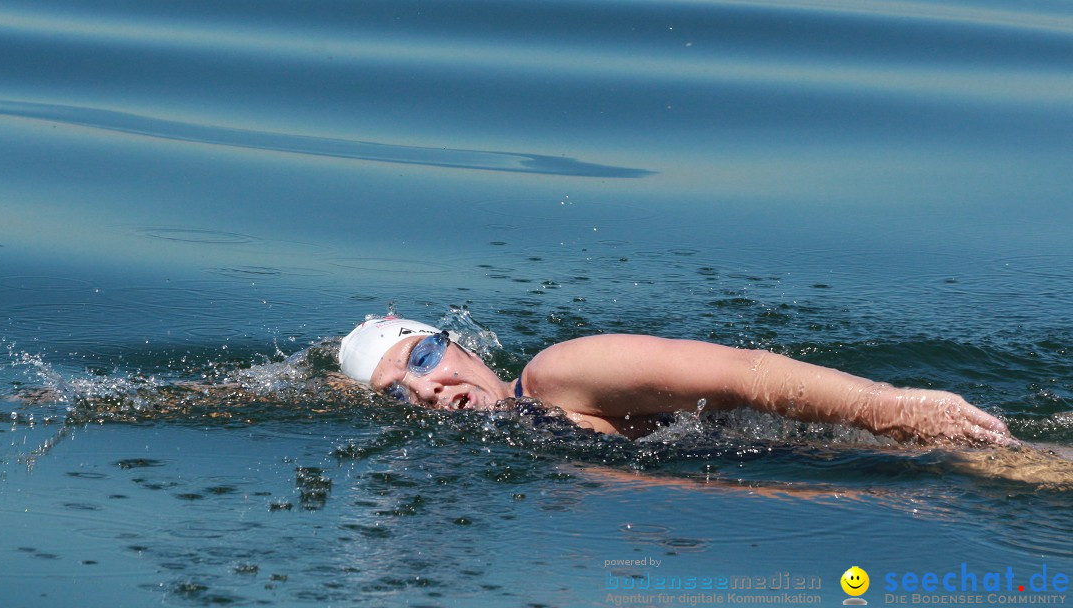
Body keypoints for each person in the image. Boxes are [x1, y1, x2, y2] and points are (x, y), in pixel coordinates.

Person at [339, 316, 1017, 445]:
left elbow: (746, 373)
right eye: (400, 392)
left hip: (866, 445)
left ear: (452, 339)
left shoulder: (556, 375)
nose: (428, 388)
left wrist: (892, 409)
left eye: (423, 358)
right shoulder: (512, 434)